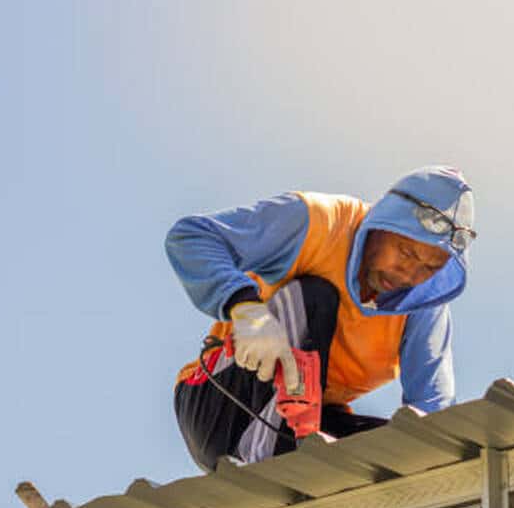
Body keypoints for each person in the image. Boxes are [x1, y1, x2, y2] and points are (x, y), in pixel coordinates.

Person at [165, 165, 476, 472]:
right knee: (316, 297)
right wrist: (245, 308)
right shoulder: (318, 223)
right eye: (406, 253)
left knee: (391, 454)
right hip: (221, 405)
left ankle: (299, 464)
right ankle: (267, 466)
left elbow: (431, 410)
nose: (410, 274)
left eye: (430, 268)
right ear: (382, 224)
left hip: (305, 422)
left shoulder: (421, 304)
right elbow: (191, 237)